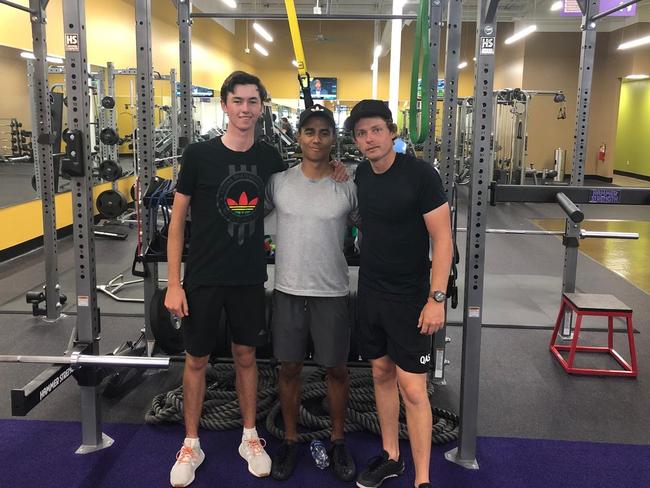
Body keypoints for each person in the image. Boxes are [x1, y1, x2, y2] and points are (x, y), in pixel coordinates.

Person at [165, 71, 348, 488]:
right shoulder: (198, 155)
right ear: (226, 105)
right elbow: (177, 222)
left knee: (247, 357)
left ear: (261, 107)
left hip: (249, 277)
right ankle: (191, 443)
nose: (245, 109)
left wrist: (337, 166)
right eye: (238, 101)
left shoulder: (270, 161)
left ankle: (250, 436)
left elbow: (305, 178)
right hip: (204, 277)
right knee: (196, 360)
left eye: (253, 102)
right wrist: (174, 283)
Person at [345, 100, 453, 488]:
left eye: (376, 130)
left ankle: (422, 479)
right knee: (380, 373)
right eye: (361, 133)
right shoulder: (362, 174)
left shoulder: (421, 175)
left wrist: (436, 299)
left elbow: (443, 240)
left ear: (391, 131)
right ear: (356, 140)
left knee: (413, 388)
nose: (369, 138)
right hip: (372, 291)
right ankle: (391, 456)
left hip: (412, 298)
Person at [265, 104, 358, 482]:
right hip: (287, 289)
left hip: (332, 291)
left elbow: (373, 224)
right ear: (298, 137)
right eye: (309, 132)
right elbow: (246, 216)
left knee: (336, 369)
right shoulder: (279, 182)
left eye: (324, 132)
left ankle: (338, 440)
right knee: (288, 368)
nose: (316, 139)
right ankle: (289, 439)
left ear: (333, 139)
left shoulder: (347, 184)